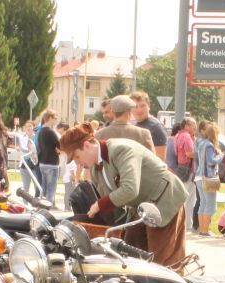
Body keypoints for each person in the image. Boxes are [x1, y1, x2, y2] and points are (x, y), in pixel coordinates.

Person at [60, 124, 188, 267]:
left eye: (77, 156)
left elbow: (130, 189)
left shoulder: (121, 149)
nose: (77, 162)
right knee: (130, 254)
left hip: (164, 199)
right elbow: (116, 205)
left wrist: (100, 205)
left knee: (161, 261)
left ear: (87, 145)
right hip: (141, 206)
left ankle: (172, 278)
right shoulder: (96, 170)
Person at [194, 122, 222, 237]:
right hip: (208, 177)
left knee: (203, 203)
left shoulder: (201, 143)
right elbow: (211, 161)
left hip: (199, 176)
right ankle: (205, 231)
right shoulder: (210, 145)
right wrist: (220, 156)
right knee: (210, 204)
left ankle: (202, 230)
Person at [130, 90, 168, 159]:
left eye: (142, 106)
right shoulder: (133, 125)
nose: (139, 110)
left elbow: (160, 158)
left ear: (148, 107)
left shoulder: (156, 127)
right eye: (135, 106)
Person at [35, 110, 61, 206]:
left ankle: (42, 207)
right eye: (55, 118)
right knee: (51, 189)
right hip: (52, 163)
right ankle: (48, 207)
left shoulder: (40, 131)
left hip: (42, 163)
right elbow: (60, 146)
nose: (55, 121)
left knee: (44, 189)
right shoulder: (51, 132)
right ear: (50, 118)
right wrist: (59, 150)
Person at [16, 119, 38, 194]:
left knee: (37, 186)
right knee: (26, 187)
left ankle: (37, 201)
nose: (28, 128)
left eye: (30, 126)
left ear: (33, 127)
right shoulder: (22, 137)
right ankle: (25, 201)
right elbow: (24, 149)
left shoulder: (37, 137)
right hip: (24, 165)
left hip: (35, 165)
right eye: (26, 126)